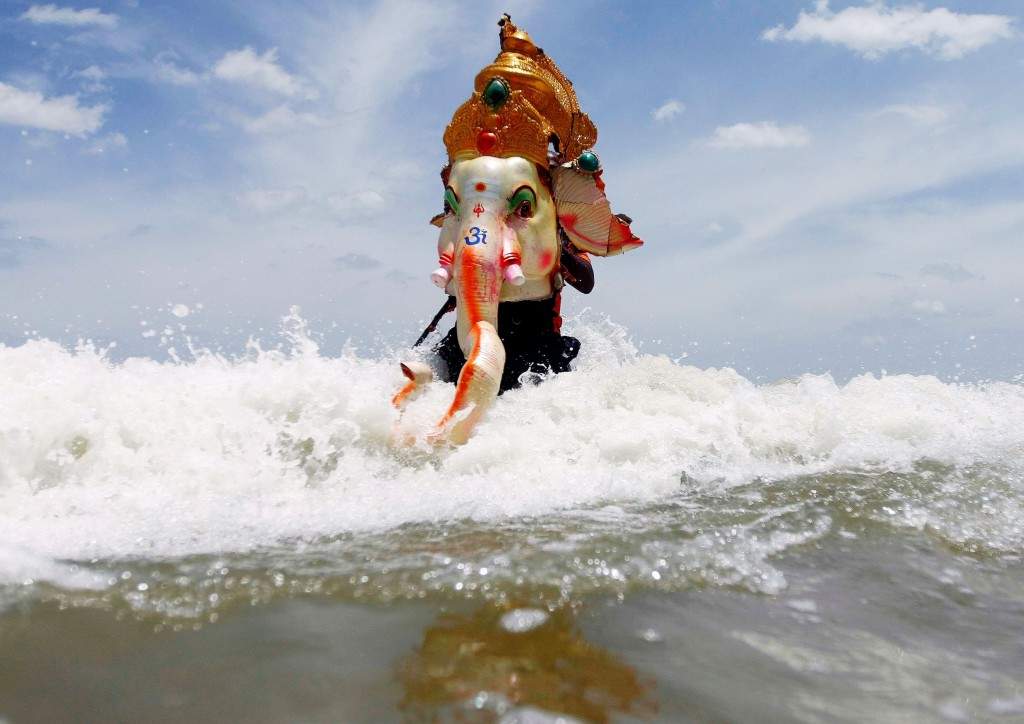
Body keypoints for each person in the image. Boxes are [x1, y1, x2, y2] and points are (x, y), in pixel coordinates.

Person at [423, 233, 594, 394]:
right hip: (485, 327)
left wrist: (552, 246)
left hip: (536, 335)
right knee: (440, 373)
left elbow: (586, 282)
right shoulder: (490, 230)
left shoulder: (564, 238)